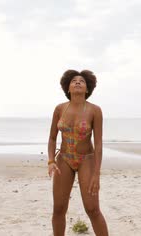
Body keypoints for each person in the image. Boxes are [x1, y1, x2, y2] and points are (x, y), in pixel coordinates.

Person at [47, 70, 108, 236]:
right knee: (59, 208)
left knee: (92, 209)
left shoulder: (95, 110)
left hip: (86, 159)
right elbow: (52, 138)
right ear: (68, 88)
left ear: (87, 89)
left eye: (82, 81)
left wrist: (96, 173)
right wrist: (51, 161)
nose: (78, 82)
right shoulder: (60, 109)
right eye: (74, 81)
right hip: (63, 160)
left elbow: (99, 143)